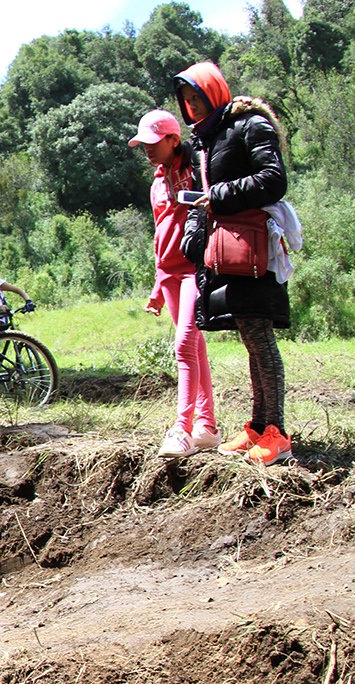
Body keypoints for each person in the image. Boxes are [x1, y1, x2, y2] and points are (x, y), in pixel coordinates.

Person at [176, 61, 292, 465]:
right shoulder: (204, 141)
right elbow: (201, 193)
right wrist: (194, 232)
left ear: (215, 92)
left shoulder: (250, 125)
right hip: (226, 249)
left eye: (198, 97)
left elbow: (273, 180)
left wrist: (220, 195)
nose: (192, 106)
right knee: (250, 336)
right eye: (186, 100)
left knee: (260, 337)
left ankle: (276, 433)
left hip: (255, 247)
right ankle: (259, 429)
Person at [129, 108, 219, 458]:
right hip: (168, 272)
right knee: (195, 348)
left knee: (184, 344)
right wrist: (156, 283)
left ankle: (181, 429)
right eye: (143, 143)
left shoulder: (197, 170)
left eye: (154, 142)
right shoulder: (156, 182)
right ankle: (207, 426)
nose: (148, 149)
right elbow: (159, 231)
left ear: (173, 139)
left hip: (195, 267)